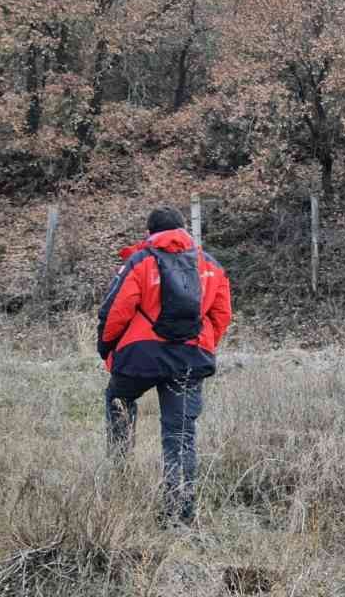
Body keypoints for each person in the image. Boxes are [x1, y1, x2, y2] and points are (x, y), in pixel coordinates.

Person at [98, 207, 233, 527]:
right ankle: (179, 513)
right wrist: (204, 344)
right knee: (180, 434)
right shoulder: (210, 264)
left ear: (150, 232)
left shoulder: (141, 260)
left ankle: (120, 476)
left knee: (118, 399)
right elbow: (222, 315)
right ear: (185, 229)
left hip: (140, 356)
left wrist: (107, 349)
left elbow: (115, 310)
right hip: (190, 357)